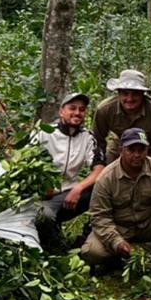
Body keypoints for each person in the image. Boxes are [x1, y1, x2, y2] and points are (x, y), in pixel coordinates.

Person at [80, 128, 151, 278]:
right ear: (121, 150)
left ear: (147, 150)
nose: (137, 155)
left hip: (148, 223)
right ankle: (113, 260)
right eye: (131, 150)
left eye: (141, 150)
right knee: (92, 252)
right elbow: (99, 216)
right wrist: (116, 241)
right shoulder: (107, 177)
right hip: (118, 226)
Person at [32, 91, 103, 252]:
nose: (77, 113)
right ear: (61, 111)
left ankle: (89, 239)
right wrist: (42, 187)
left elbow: (99, 168)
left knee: (104, 189)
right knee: (45, 215)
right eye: (72, 108)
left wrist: (78, 188)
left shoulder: (87, 137)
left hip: (70, 193)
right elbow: (25, 165)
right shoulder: (44, 133)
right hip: (43, 196)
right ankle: (54, 248)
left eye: (82, 109)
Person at [92, 69, 151, 173]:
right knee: (106, 175)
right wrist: (99, 165)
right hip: (120, 144)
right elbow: (97, 140)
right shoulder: (105, 110)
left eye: (135, 94)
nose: (130, 98)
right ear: (118, 93)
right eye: (125, 93)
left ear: (143, 94)